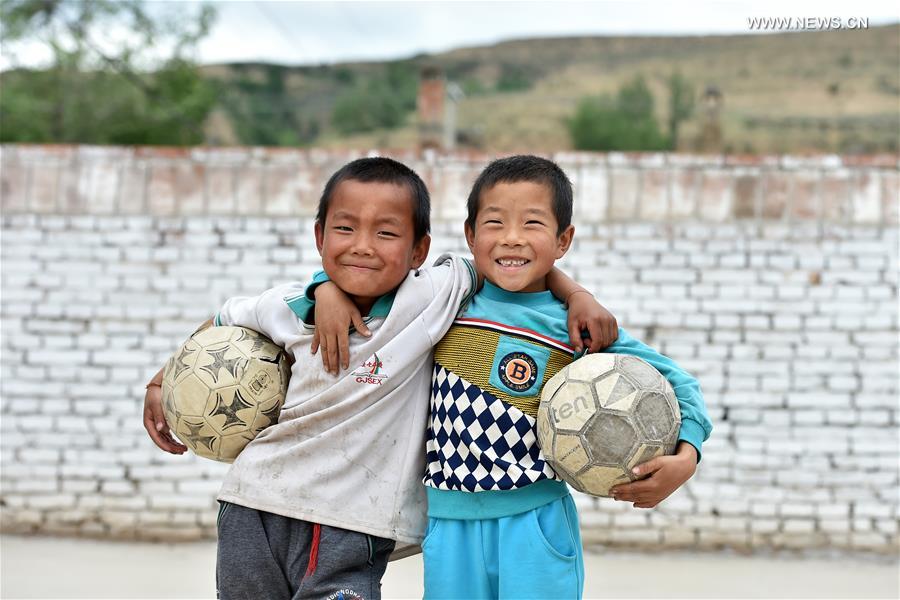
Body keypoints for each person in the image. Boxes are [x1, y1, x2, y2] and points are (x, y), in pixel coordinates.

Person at [142, 156, 619, 600]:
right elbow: (225, 318)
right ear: (319, 238)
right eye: (345, 229)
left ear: (420, 250)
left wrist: (578, 295)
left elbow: (515, 263)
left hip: (349, 524)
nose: (362, 246)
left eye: (386, 233)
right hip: (252, 502)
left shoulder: (434, 296)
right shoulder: (288, 306)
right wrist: (163, 382)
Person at [314, 155, 713, 599]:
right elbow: (368, 273)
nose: (511, 240)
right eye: (495, 223)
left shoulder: (575, 326)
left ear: (563, 240)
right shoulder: (447, 303)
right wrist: (324, 289)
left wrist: (687, 457)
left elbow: (680, 385)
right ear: (470, 234)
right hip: (448, 528)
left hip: (534, 522)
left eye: (532, 224)